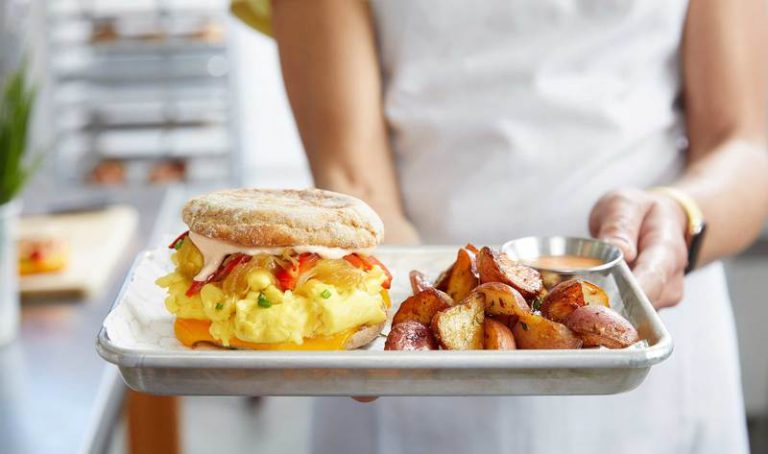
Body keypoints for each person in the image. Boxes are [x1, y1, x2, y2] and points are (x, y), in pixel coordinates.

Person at [231, 0, 768, 453]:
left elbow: (745, 144)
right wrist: (401, 315)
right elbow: (352, 174)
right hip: (407, 346)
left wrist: (679, 214)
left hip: (649, 362)